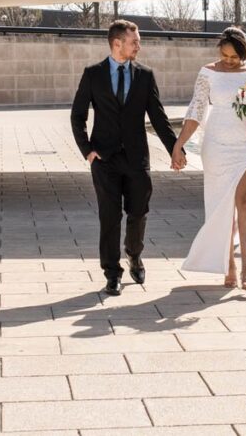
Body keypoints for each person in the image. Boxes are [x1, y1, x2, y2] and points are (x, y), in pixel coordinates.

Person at [70, 19, 182, 296]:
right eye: (134, 41)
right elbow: (78, 115)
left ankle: (134, 253)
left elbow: (158, 116)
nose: (139, 46)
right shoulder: (93, 74)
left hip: (136, 159)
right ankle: (112, 273)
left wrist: (175, 149)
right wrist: (88, 151)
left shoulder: (145, 75)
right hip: (104, 159)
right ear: (117, 43)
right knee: (109, 217)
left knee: (138, 212)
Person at [173, 27, 246, 290]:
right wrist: (179, 144)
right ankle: (230, 266)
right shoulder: (208, 72)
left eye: (234, 57)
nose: (228, 60)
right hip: (217, 146)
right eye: (224, 55)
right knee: (221, 208)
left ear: (243, 53)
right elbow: (197, 109)